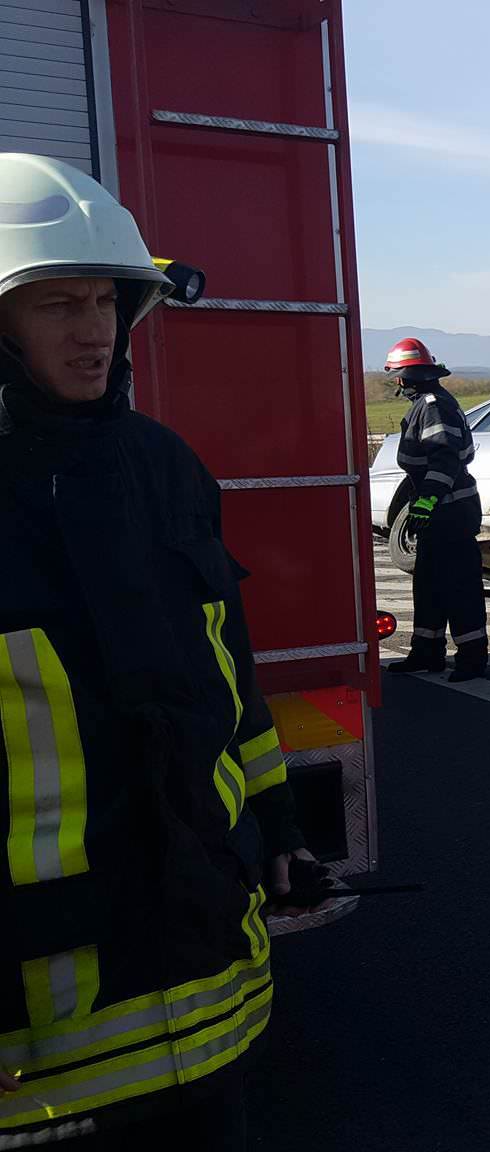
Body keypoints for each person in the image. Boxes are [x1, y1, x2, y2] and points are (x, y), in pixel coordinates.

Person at [0, 153, 314, 1146]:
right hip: (42, 1050)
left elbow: (231, 684)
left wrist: (283, 832)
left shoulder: (165, 469)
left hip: (211, 999)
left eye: (106, 300)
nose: (95, 329)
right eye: (57, 303)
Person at [383, 337, 487, 681]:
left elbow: (444, 460)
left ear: (407, 377)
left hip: (451, 512)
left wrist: (426, 504)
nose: (397, 382)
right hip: (439, 510)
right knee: (429, 586)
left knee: (459, 587)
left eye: (398, 375)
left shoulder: (432, 405)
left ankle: (472, 659)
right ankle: (426, 652)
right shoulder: (427, 404)